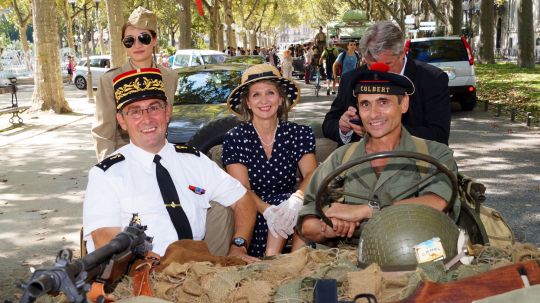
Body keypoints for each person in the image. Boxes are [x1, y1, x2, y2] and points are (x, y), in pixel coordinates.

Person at [83, 68, 258, 262]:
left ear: (167, 112)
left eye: (154, 108)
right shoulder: (106, 175)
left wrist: (239, 246)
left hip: (199, 268)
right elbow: (104, 239)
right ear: (121, 121)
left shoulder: (194, 160)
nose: (147, 119)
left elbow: (243, 199)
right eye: (135, 112)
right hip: (142, 273)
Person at [297, 62, 458, 244]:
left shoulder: (434, 154)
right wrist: (328, 227)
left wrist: (365, 210)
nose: (374, 114)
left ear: (404, 104)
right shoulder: (341, 158)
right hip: (348, 261)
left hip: (417, 257)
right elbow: (307, 221)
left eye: (383, 102)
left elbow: (437, 203)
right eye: (365, 104)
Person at [222, 64, 318, 257]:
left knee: (304, 211)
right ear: (248, 102)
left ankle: (294, 268)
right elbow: (243, 190)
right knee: (282, 213)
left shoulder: (299, 133)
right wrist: (269, 212)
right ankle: (272, 263)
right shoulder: (235, 137)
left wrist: (296, 200)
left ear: (280, 99)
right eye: (256, 95)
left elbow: (311, 173)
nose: (264, 100)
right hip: (253, 211)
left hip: (291, 208)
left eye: (270, 93)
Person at [323, 21, 451, 146]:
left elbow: (439, 136)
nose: (378, 73)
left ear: (402, 53)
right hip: (359, 163)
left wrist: (382, 129)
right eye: (370, 65)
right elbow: (328, 124)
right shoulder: (350, 79)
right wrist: (344, 129)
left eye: (386, 65)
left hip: (413, 162)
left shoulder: (432, 79)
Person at [91, 7, 178, 161]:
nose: (137, 45)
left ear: (155, 40)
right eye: (129, 40)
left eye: (143, 38)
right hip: (124, 158)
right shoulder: (110, 80)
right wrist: (110, 169)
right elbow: (103, 133)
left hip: (160, 157)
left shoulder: (170, 77)